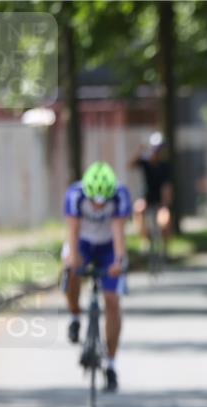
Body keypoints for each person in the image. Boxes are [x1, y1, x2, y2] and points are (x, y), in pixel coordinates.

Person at [63, 161, 131, 391]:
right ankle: (74, 315)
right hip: (83, 242)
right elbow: (72, 231)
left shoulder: (120, 195)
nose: (100, 207)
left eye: (104, 203)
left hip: (108, 246)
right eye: (95, 202)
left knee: (112, 301)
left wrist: (118, 262)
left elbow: (119, 232)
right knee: (70, 271)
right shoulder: (75, 194)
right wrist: (74, 258)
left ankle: (110, 365)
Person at [132, 132, 173, 252]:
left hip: (160, 201)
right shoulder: (145, 163)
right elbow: (131, 164)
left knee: (165, 220)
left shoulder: (165, 166)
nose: (156, 152)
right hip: (146, 198)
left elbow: (167, 186)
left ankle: (165, 247)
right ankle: (145, 240)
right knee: (138, 209)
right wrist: (140, 150)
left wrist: (166, 205)